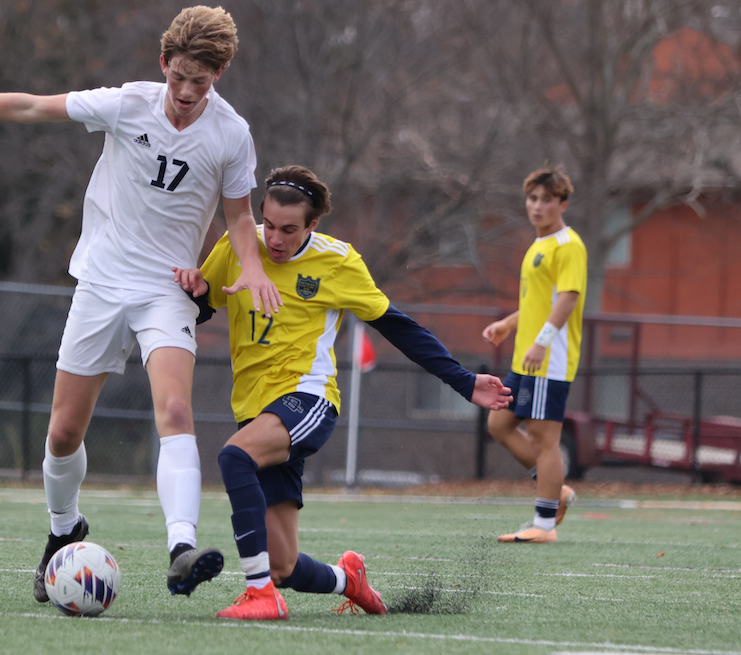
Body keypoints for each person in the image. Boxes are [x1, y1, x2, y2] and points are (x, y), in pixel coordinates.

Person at [0, 5, 282, 599]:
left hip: (164, 291)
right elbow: (30, 106)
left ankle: (180, 547)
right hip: (100, 282)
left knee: (175, 412)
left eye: (201, 81)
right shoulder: (127, 104)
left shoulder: (231, 133)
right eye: (179, 77)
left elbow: (240, 215)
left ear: (218, 76)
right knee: (64, 432)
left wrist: (250, 267)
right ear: (163, 63)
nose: (188, 91)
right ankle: (63, 530)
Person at [174, 165, 513, 620]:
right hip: (254, 409)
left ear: (313, 225)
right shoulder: (238, 245)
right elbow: (203, 306)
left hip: (307, 399)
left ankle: (258, 596)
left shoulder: (338, 261)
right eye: (269, 225)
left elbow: (398, 327)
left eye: (290, 229)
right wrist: (189, 292)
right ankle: (347, 579)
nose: (274, 238)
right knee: (284, 565)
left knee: (234, 457)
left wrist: (464, 381)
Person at [481, 167, 587, 543]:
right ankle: (553, 488)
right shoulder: (538, 245)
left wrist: (541, 342)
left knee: (544, 440)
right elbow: (538, 302)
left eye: (546, 199)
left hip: (549, 359)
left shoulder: (568, 245)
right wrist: (509, 324)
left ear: (563, 204)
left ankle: (544, 526)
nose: (537, 206)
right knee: (499, 425)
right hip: (525, 359)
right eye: (533, 198)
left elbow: (568, 300)